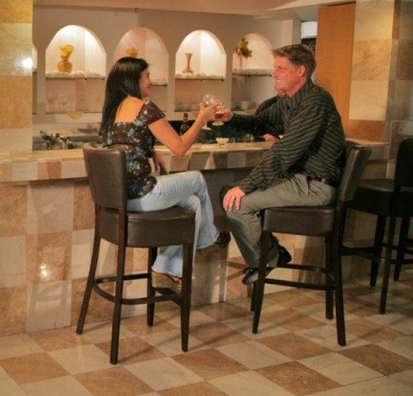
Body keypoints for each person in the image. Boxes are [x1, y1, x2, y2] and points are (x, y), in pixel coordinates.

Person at [220, 44, 345, 284]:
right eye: (274, 68)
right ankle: (273, 254)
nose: (273, 73)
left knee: (237, 204)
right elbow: (262, 122)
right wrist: (231, 118)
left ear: (301, 71)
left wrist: (246, 186)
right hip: (299, 180)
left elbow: (284, 153)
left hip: (315, 186)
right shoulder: (290, 100)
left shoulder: (316, 102)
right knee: (227, 192)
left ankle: (268, 259)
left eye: (280, 68)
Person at [99, 56, 225, 286]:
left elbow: (126, 142)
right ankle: (209, 238)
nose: (151, 81)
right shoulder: (144, 108)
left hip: (122, 199)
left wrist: (150, 150)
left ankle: (166, 266)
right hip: (143, 195)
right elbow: (179, 148)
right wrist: (201, 119)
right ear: (132, 80)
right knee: (198, 179)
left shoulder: (114, 110)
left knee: (193, 203)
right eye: (147, 76)